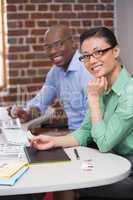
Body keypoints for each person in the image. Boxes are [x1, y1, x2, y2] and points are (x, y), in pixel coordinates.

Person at [30, 27, 133, 200]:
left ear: (115, 51)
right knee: (58, 170)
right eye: (86, 56)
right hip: (112, 160)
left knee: (66, 180)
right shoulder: (101, 86)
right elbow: (85, 131)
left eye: (98, 52)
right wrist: (53, 141)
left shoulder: (129, 92)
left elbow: (105, 143)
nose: (92, 61)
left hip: (128, 170)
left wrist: (93, 99)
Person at [9, 24, 93, 131]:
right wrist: (27, 113)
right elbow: (41, 102)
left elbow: (94, 120)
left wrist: (62, 140)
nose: (53, 51)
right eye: (48, 47)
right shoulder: (55, 72)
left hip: (93, 139)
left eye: (58, 44)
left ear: (72, 43)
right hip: (75, 136)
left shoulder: (87, 69)